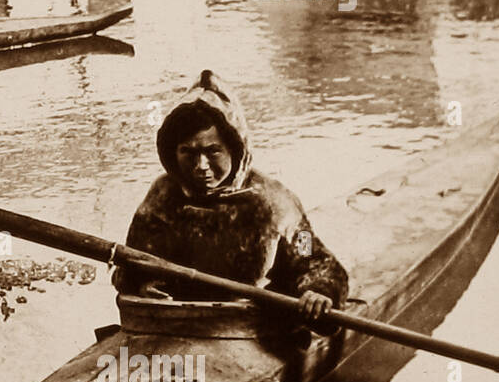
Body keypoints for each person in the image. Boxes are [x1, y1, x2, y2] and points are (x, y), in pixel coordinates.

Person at [113, 70, 348, 327]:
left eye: (212, 151)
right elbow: (131, 266)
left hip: (247, 329)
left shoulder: (276, 203)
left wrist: (318, 293)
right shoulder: (162, 196)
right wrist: (145, 286)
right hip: (173, 325)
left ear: (235, 149)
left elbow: (313, 261)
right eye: (187, 152)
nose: (201, 165)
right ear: (173, 152)